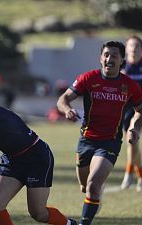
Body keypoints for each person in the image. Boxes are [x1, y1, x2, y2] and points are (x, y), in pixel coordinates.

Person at [56, 41, 142, 225]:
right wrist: (66, 110)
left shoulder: (130, 86)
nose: (109, 59)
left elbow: (140, 110)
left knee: (93, 185)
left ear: (121, 61)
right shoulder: (88, 78)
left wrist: (134, 128)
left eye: (114, 56)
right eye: (106, 55)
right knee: (84, 187)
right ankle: (95, 196)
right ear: (100, 58)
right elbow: (63, 99)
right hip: (86, 140)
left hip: (110, 142)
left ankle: (83, 223)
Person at [120, 35, 142, 191]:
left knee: (132, 137)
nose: (134, 49)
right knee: (131, 141)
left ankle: (129, 173)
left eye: (137, 46)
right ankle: (138, 175)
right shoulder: (121, 67)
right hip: (128, 110)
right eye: (131, 46)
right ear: (126, 49)